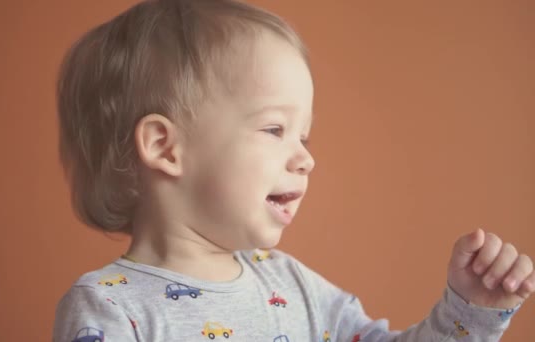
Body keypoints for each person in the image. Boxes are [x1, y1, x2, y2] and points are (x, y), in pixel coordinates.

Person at [53, 0, 534, 340]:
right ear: (166, 147)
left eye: (303, 136)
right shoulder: (109, 308)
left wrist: (468, 314)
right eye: (274, 129)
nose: (306, 158)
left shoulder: (293, 287)